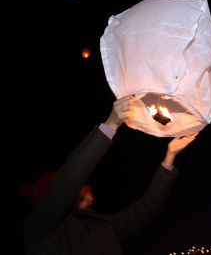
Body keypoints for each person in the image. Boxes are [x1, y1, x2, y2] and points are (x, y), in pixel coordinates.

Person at [22, 94, 198, 255]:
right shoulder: (41, 230)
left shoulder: (106, 228)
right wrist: (110, 124)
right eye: (82, 188)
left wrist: (170, 155)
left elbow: (146, 208)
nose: (88, 189)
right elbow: (70, 178)